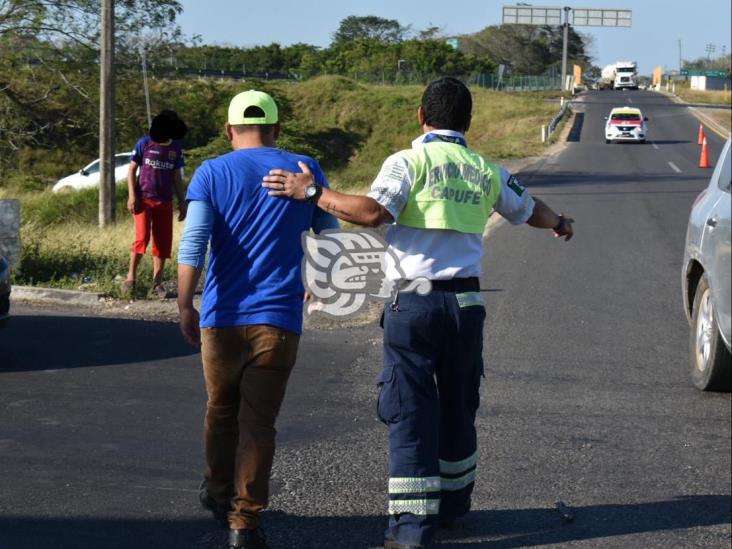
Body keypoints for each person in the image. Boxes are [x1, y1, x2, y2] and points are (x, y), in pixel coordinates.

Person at [262, 77, 574, 549]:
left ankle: (411, 529)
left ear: (421, 116)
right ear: (467, 122)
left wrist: (311, 192)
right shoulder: (484, 169)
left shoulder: (408, 162)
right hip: (466, 305)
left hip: (414, 302)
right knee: (459, 406)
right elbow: (530, 210)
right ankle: (452, 508)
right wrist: (561, 224)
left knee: (410, 413)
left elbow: (371, 213)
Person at [177, 90, 338, 549]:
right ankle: (244, 522)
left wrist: (186, 304)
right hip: (280, 319)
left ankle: (218, 491)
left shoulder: (212, 171)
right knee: (259, 423)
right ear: (277, 130)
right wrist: (319, 278)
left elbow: (195, 243)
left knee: (220, 410)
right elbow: (331, 231)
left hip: (222, 316)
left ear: (230, 131)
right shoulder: (304, 168)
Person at [125, 110, 188, 298]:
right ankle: (130, 279)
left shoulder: (176, 148)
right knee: (142, 238)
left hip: (165, 201)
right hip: (144, 199)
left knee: (162, 242)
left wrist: (182, 201)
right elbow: (132, 170)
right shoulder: (144, 143)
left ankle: (157, 283)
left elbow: (177, 177)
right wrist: (131, 196)